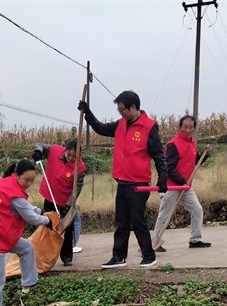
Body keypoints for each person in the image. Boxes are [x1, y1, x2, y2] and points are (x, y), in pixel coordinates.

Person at [78, 90, 167, 269]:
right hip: (122, 181)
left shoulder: (148, 128)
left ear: (133, 107)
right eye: (118, 110)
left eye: (122, 110)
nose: (120, 113)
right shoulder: (121, 124)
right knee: (121, 221)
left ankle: (149, 256)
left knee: (137, 220)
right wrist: (87, 113)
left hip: (138, 183)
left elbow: (159, 156)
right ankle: (119, 257)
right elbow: (101, 128)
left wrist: (163, 178)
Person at [0, 159, 53, 306]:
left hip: (1, 234)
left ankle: (29, 284)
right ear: (16, 175)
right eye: (26, 180)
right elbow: (30, 217)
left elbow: (24, 206)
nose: (29, 183)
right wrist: (47, 221)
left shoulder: (4, 183)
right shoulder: (12, 192)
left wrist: (40, 210)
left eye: (32, 180)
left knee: (26, 248)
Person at [151, 115, 212, 252]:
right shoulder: (174, 145)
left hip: (186, 186)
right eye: (185, 127)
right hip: (172, 186)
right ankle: (155, 242)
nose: (188, 130)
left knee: (197, 210)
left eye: (191, 127)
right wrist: (182, 181)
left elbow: (196, 162)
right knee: (164, 214)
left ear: (194, 128)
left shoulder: (192, 143)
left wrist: (205, 154)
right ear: (180, 127)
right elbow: (168, 168)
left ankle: (195, 240)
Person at [32, 138, 86, 266]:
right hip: (50, 195)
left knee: (67, 228)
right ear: (65, 150)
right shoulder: (55, 150)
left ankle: (66, 257)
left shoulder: (81, 168)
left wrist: (69, 204)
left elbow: (77, 188)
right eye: (69, 155)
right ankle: (44, 255)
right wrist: (38, 152)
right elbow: (40, 144)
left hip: (65, 200)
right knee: (48, 225)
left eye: (75, 156)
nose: (71, 158)